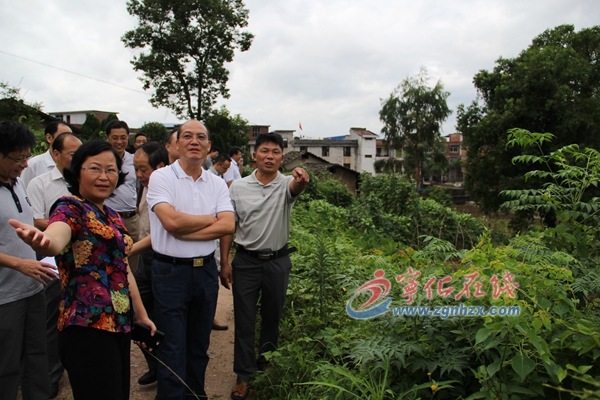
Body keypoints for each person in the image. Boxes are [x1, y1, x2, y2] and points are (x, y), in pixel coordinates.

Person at [9, 140, 156, 400]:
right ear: (77, 172)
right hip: (87, 326)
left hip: (119, 324)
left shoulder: (112, 215)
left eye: (111, 170)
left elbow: (121, 267)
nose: (104, 177)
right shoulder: (70, 207)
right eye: (95, 168)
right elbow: (56, 237)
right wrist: (43, 242)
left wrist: (141, 315)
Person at [146, 119, 234, 399]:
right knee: (172, 345)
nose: (194, 141)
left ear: (209, 146)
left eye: (201, 137)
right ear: (176, 143)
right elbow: (171, 222)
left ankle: (196, 395)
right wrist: (210, 219)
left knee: (199, 344)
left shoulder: (217, 183)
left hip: (205, 272)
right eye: (187, 136)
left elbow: (228, 225)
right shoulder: (161, 178)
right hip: (170, 273)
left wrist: (184, 232)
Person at [220, 132, 309, 400]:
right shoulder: (237, 187)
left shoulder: (286, 184)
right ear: (254, 155)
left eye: (275, 152)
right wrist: (224, 262)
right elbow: (228, 227)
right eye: (265, 151)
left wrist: (302, 178)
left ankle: (266, 364)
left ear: (282, 158)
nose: (270, 156)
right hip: (245, 261)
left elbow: (297, 187)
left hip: (277, 261)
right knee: (244, 319)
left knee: (272, 316)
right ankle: (243, 375)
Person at [0, 121, 54, 400]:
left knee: (37, 356)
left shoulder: (18, 183)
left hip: (33, 287)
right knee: (6, 363)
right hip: (5, 295)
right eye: (18, 158)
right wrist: (19, 264)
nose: (24, 164)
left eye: (26, 157)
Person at [26, 132, 82, 398]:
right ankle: (51, 375)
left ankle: (76, 367)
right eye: (72, 154)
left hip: (82, 264)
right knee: (52, 320)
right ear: (56, 154)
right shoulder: (39, 184)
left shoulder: (84, 181)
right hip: (51, 262)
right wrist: (69, 226)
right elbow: (36, 219)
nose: (78, 158)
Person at [132, 142, 169, 386]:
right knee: (139, 314)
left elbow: (161, 233)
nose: (139, 174)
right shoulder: (145, 187)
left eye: (143, 169)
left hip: (160, 257)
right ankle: (155, 365)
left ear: (160, 167)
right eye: (136, 169)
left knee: (162, 316)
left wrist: (128, 250)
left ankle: (167, 370)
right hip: (145, 259)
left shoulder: (167, 191)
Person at [105, 120, 140, 273]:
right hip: (108, 217)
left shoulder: (134, 160)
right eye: (115, 138)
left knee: (133, 258)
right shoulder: (101, 160)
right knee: (108, 258)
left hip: (131, 218)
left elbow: (139, 186)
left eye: (123, 137)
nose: (119, 142)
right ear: (107, 138)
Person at [20, 121, 72, 187]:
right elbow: (24, 189)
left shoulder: (74, 164)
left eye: (71, 137)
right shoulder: (33, 164)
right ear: (49, 138)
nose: (68, 141)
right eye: (63, 137)